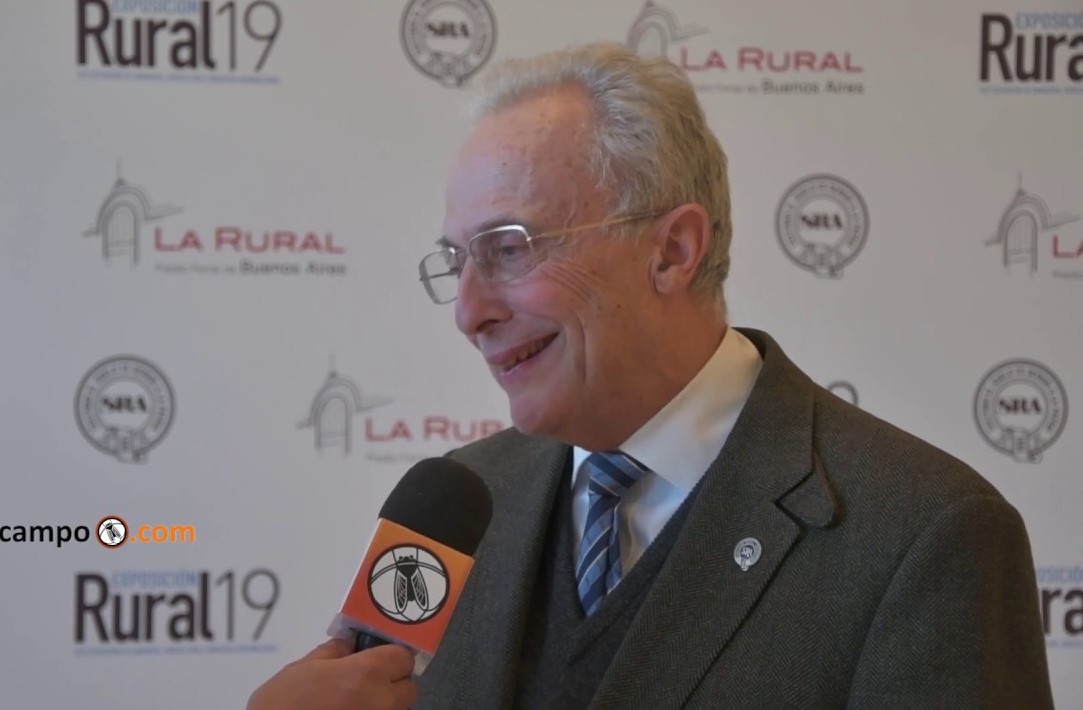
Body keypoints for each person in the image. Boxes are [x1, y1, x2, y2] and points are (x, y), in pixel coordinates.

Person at [249, 42, 1054, 709]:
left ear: (671, 250)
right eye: (456, 260)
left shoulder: (922, 535)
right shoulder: (457, 509)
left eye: (509, 248)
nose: (468, 311)